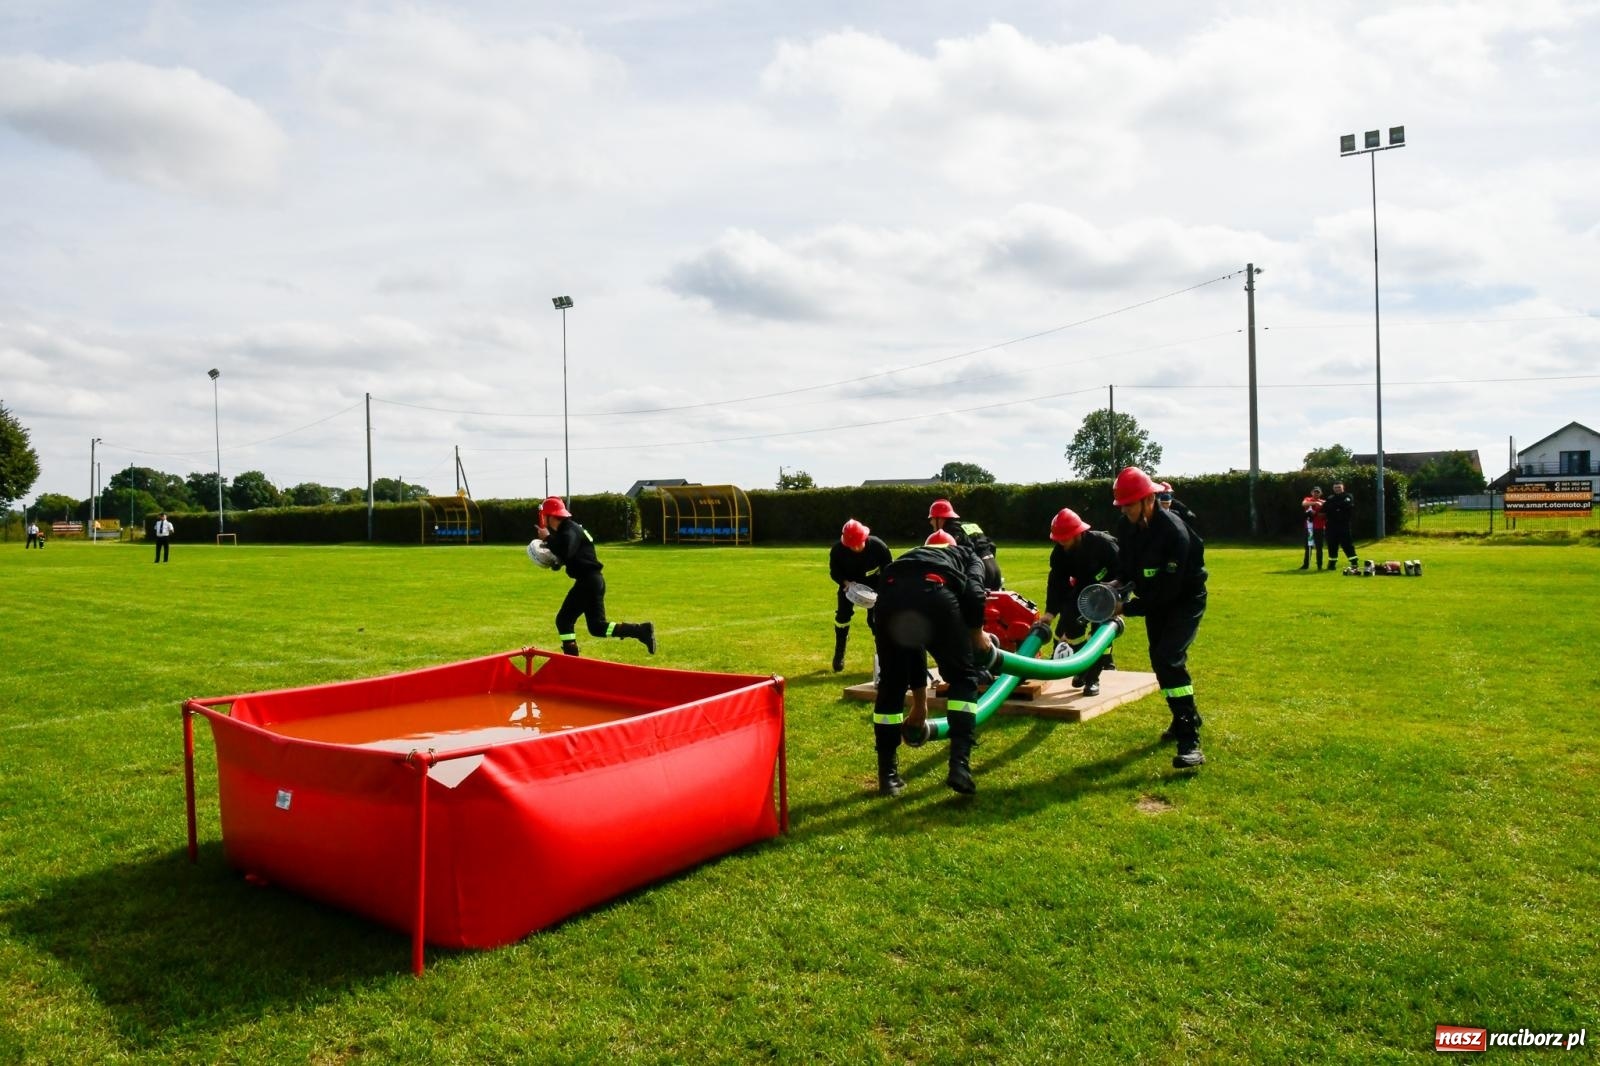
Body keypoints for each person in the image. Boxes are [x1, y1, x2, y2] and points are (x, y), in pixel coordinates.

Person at [870, 528, 992, 796]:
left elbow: (914, 647)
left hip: (888, 602)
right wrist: (977, 633)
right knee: (962, 678)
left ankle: (887, 776)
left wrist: (921, 706)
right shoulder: (965, 554)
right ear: (951, 546)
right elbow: (974, 592)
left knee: (891, 685)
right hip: (935, 595)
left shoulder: (907, 557)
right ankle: (959, 766)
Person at [1111, 467, 1209, 769]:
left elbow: (1168, 593)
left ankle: (1189, 740)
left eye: (1130, 503)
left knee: (1169, 657)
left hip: (1184, 599)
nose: (1125, 509)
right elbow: (1127, 568)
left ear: (1148, 499)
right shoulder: (1127, 527)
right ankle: (1186, 715)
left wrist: (1126, 609)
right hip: (1156, 598)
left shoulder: (1174, 532)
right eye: (1122, 504)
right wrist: (1114, 587)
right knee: (1159, 659)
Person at [536, 496, 655, 657]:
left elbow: (566, 551)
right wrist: (556, 562)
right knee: (597, 627)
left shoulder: (568, 529)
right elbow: (572, 555)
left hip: (587, 582)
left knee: (564, 620)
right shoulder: (571, 529)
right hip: (594, 581)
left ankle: (571, 661)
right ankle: (640, 630)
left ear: (550, 516)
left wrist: (548, 539)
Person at [1039, 508, 1119, 697]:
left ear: (1078, 533)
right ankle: (1081, 667)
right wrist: (1051, 612)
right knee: (1068, 625)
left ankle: (1092, 680)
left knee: (1100, 635)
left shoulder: (1104, 545)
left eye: (1065, 538)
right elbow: (1057, 583)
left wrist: (1118, 601)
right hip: (1083, 590)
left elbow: (1125, 571)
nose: (1061, 542)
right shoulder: (1059, 553)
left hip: (1110, 591)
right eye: (1058, 538)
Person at [828, 518, 893, 672]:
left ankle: (881, 656)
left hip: (876, 585)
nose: (856, 548)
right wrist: (846, 583)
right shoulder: (837, 550)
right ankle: (839, 653)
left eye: (859, 543)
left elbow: (889, 569)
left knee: (876, 620)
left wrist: (884, 589)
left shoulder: (878, 546)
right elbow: (834, 572)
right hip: (849, 586)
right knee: (842, 617)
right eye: (852, 545)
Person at [927, 498, 1002, 590]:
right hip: (996, 571)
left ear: (941, 518)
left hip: (981, 574)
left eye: (932, 518)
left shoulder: (949, 532)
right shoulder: (970, 525)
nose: (930, 522)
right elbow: (991, 546)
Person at [1323, 480, 1358, 571]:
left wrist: (1333, 507)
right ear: (1333, 488)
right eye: (1335, 487)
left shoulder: (1348, 496)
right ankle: (1332, 564)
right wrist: (1337, 508)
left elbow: (1346, 505)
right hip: (1331, 525)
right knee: (1332, 544)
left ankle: (1354, 563)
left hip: (1343, 525)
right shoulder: (1330, 497)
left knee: (1347, 544)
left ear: (1343, 488)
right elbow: (1325, 508)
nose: (1337, 489)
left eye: (1339, 487)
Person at [1299, 487, 1327, 570]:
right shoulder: (1308, 499)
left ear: (1320, 493)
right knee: (1308, 547)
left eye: (1318, 492)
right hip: (1309, 528)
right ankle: (1306, 565)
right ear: (1311, 493)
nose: (1316, 493)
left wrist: (1319, 507)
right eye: (1314, 492)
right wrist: (1315, 503)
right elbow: (1303, 504)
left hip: (1319, 527)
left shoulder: (1324, 502)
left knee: (1319, 547)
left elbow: (1325, 509)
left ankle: (1319, 565)